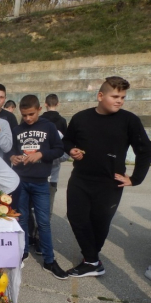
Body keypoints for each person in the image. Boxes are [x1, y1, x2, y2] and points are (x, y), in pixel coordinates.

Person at [63, 76, 151, 277]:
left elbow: (145, 150)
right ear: (100, 96)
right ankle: (92, 260)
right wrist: (71, 150)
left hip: (109, 184)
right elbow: (67, 141)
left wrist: (135, 178)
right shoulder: (80, 118)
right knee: (77, 218)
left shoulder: (129, 120)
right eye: (115, 96)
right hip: (80, 180)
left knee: (100, 222)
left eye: (123, 97)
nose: (119, 100)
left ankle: (91, 259)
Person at [10, 94, 67, 280]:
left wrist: (41, 154)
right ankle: (24, 251)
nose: (28, 118)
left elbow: (59, 149)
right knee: (23, 219)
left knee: (43, 222)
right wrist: (13, 157)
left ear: (39, 110)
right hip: (22, 180)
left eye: (31, 114)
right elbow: (11, 150)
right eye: (24, 115)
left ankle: (49, 260)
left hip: (41, 181)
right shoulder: (17, 129)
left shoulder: (49, 126)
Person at [29, 94, 69, 251]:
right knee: (27, 209)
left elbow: (65, 154)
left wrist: (47, 156)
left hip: (50, 177)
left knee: (45, 212)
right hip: (30, 175)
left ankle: (40, 239)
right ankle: (31, 235)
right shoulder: (30, 129)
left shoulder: (58, 133)